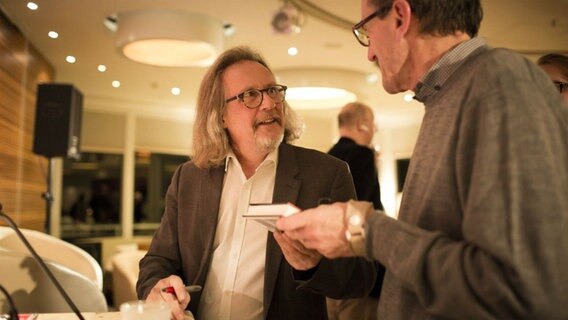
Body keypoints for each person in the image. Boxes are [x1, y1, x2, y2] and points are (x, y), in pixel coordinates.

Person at [277, 0, 568, 319]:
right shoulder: (451, 94)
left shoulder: (500, 80)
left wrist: (363, 229)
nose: (370, 53)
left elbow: (515, 289)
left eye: (367, 32)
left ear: (400, 17)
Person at [136, 46, 376, 320]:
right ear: (220, 115)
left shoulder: (326, 173)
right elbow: (156, 261)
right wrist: (157, 288)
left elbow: (361, 276)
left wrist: (312, 266)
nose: (269, 103)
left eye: (273, 91)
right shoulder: (189, 178)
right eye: (250, 95)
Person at [326, 102, 385, 320]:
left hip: (331, 270)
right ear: (362, 125)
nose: (374, 130)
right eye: (372, 124)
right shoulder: (362, 154)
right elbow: (364, 210)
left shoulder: (327, 156)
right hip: (360, 270)